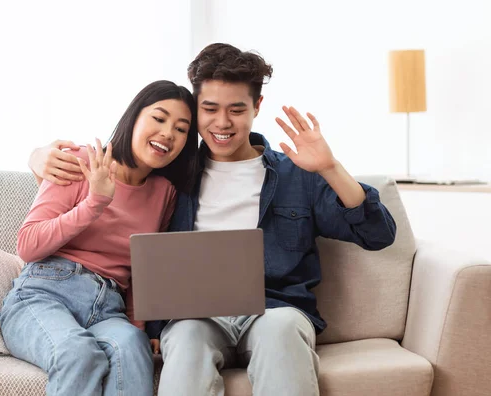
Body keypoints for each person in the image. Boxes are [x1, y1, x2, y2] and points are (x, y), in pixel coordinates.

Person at [29, 43, 397, 396]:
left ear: (257, 106)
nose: (222, 123)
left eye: (237, 110)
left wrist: (331, 168)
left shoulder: (296, 173)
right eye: (209, 109)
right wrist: (38, 156)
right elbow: (123, 179)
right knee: (187, 339)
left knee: (282, 331)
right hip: (195, 315)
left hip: (276, 310)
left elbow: (378, 233)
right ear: (196, 109)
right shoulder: (174, 175)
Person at [0, 80, 198, 396]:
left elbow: (141, 268)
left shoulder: (165, 193)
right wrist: (94, 203)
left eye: (181, 128)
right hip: (44, 294)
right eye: (159, 118)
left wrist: (140, 326)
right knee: (78, 353)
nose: (168, 133)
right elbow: (28, 244)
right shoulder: (82, 161)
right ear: (134, 117)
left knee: (133, 349)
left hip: (108, 308)